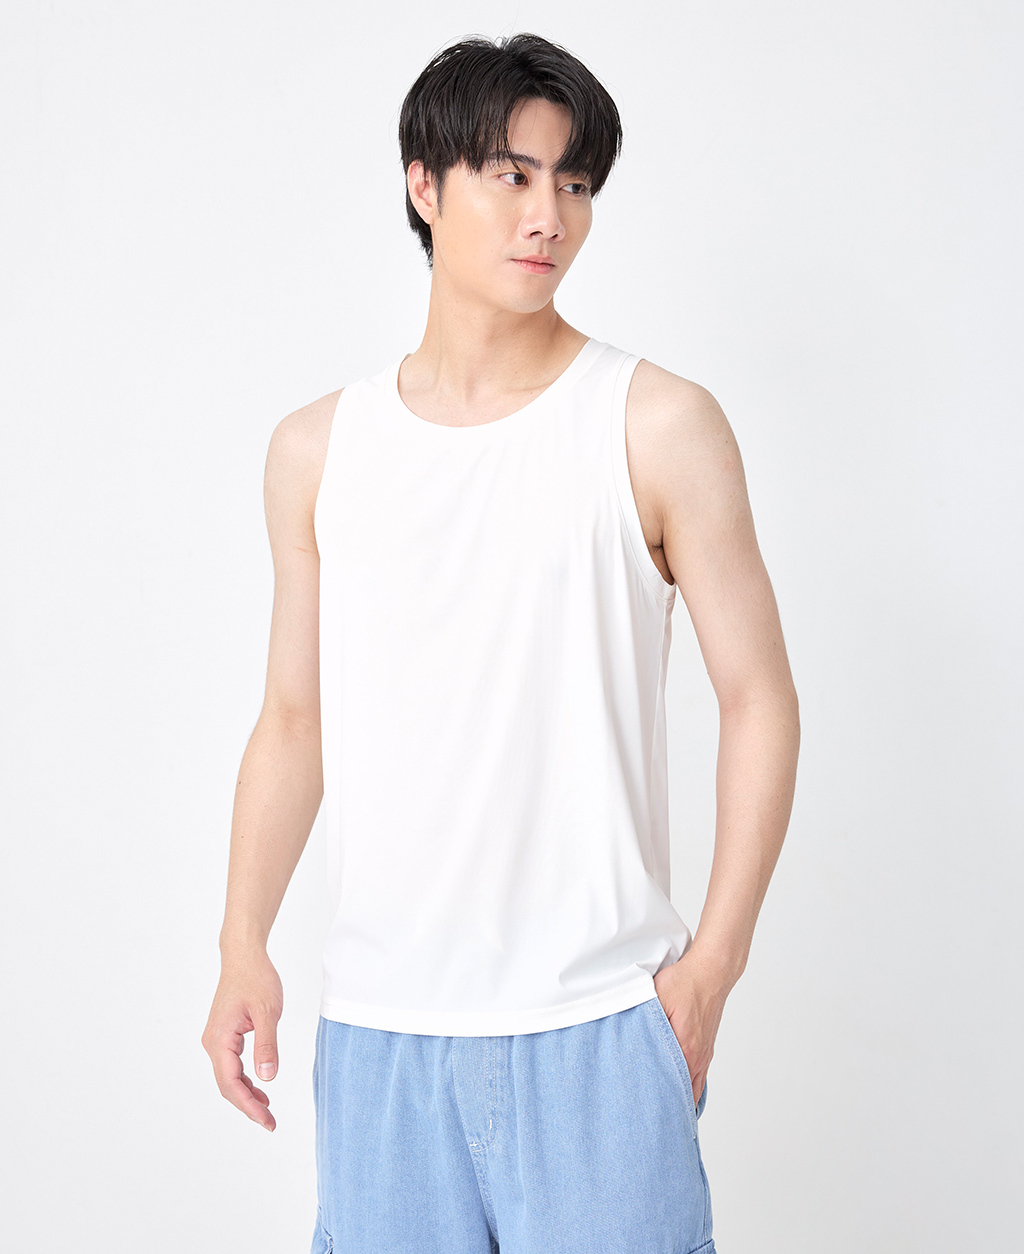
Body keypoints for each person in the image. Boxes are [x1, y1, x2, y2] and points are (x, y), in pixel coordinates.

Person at [202, 31, 800, 1254]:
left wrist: (710, 970)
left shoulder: (656, 423)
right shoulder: (316, 451)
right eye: (511, 175)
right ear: (424, 184)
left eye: (574, 183)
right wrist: (241, 941)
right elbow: (294, 720)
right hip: (380, 1038)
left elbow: (759, 698)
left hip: (600, 1029)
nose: (549, 216)